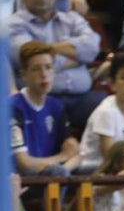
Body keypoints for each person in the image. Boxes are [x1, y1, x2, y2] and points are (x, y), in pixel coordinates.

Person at [10, 0, 105, 130]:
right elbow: (31, 59)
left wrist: (47, 49)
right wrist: (76, 58)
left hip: (82, 97)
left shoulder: (72, 19)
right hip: (41, 98)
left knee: (108, 112)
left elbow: (92, 47)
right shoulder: (13, 25)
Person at [10, 41, 81, 178]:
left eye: (48, 67)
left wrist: (62, 171)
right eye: (36, 69)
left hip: (51, 176)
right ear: (24, 75)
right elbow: (23, 163)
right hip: (20, 181)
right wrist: (61, 158)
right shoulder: (13, 107)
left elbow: (75, 153)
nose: (44, 74)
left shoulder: (56, 106)